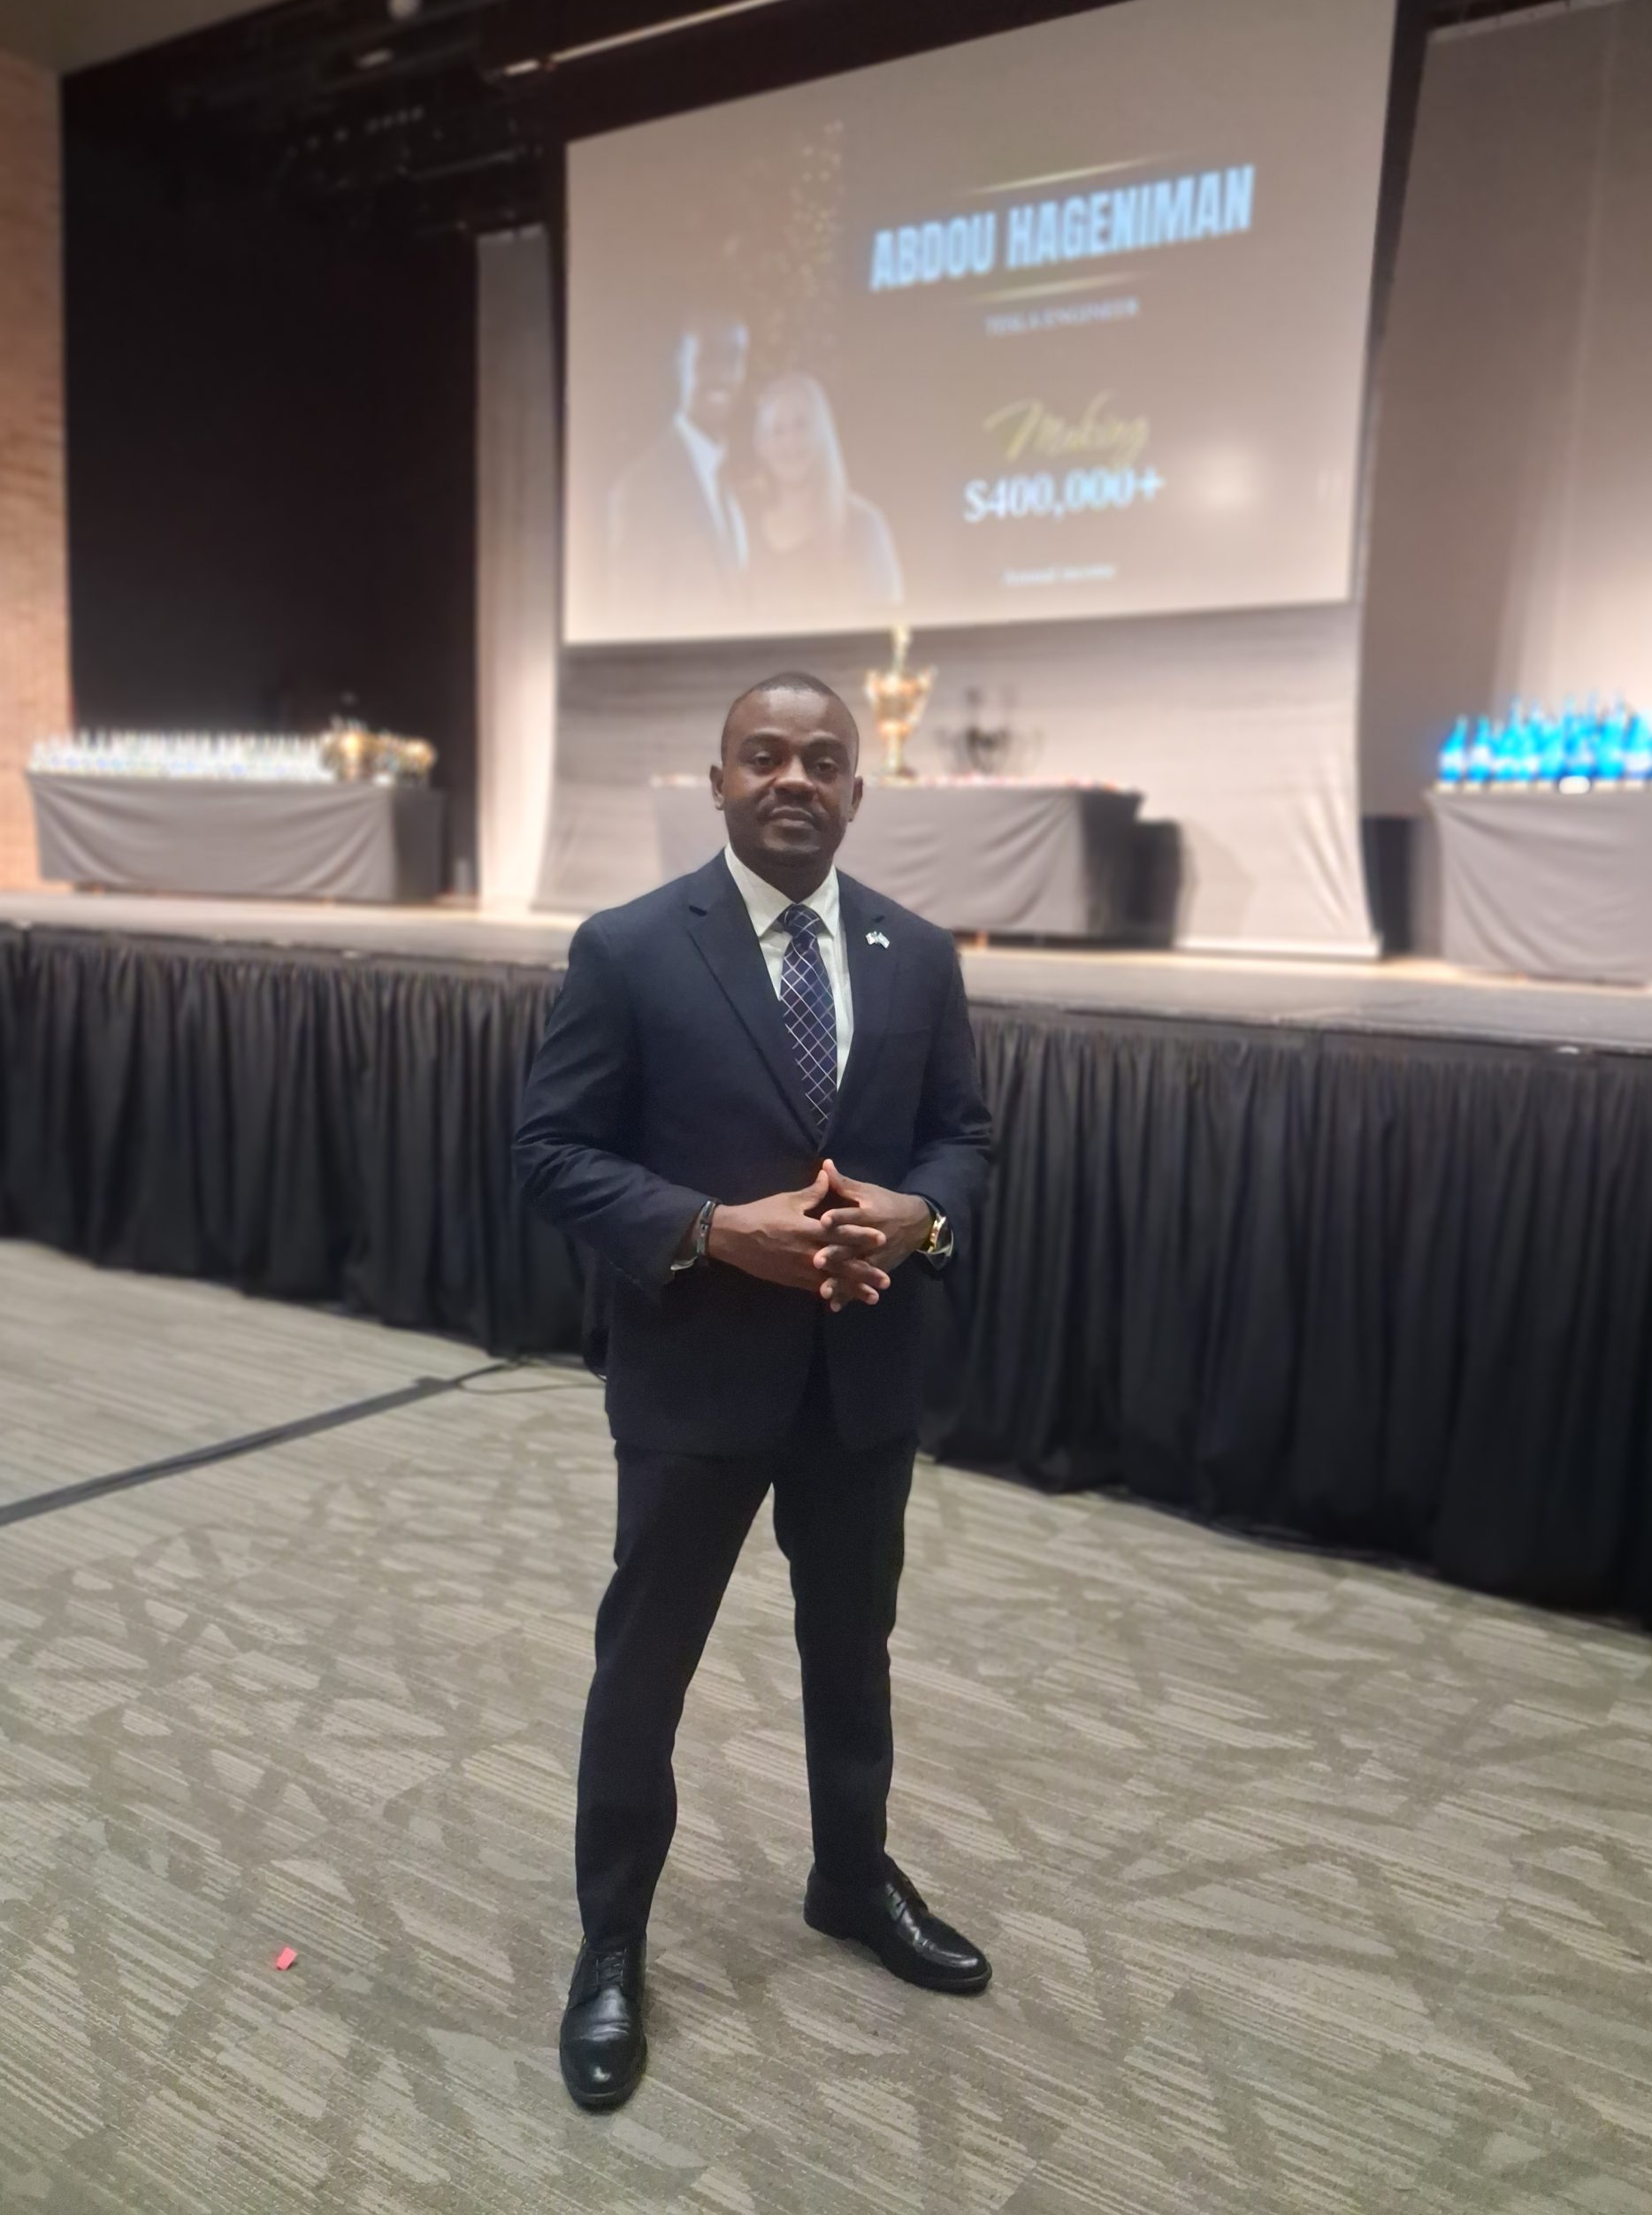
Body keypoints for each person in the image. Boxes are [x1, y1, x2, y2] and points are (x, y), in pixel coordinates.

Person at [514, 672, 993, 2113]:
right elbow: (551, 1152)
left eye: (823, 760)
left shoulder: (917, 955)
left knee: (853, 1650)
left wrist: (921, 1216)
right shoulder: (628, 949)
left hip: (863, 1381)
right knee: (645, 1668)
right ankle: (611, 1941)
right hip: (695, 1379)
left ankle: (850, 1878)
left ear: (857, 793)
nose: (795, 778)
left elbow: (963, 1139)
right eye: (765, 756)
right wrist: (717, 1230)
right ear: (718, 780)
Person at [606, 315, 751, 632]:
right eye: (707, 358)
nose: (721, 374)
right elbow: (632, 627)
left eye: (733, 359)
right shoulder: (640, 490)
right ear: (679, 366)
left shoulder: (746, 482)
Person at [747, 373, 903, 629]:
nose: (790, 441)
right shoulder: (741, 526)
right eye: (777, 431)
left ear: (822, 433)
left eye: (801, 426)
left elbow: (888, 628)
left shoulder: (864, 525)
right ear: (761, 445)